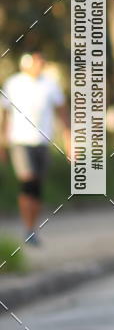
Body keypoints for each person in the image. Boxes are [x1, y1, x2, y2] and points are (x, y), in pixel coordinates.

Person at [0, 52, 70, 245]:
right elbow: (5, 114)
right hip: (20, 141)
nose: (40, 65)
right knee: (28, 182)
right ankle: (28, 227)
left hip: (43, 141)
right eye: (37, 62)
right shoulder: (14, 84)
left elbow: (62, 113)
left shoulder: (50, 85)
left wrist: (69, 140)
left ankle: (32, 228)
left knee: (37, 187)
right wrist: (2, 142)